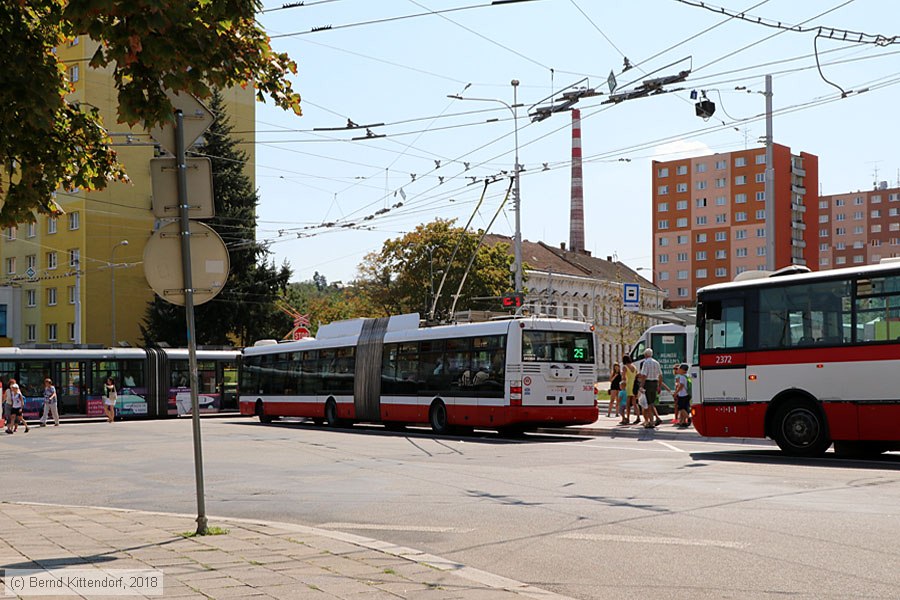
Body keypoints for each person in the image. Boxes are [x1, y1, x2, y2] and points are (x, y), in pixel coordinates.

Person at [638, 349, 663, 428]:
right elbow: (660, 375)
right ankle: (653, 419)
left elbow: (644, 375)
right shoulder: (656, 362)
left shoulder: (646, 363)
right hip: (655, 383)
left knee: (648, 403)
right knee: (651, 402)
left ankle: (651, 421)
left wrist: (641, 385)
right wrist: (659, 386)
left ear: (645, 355)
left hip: (648, 383)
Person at [620, 355, 639, 425]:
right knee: (634, 403)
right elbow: (636, 375)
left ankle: (627, 418)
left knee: (628, 403)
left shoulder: (625, 367)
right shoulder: (634, 367)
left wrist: (622, 382)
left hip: (628, 385)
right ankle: (638, 417)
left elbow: (624, 377)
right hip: (634, 385)